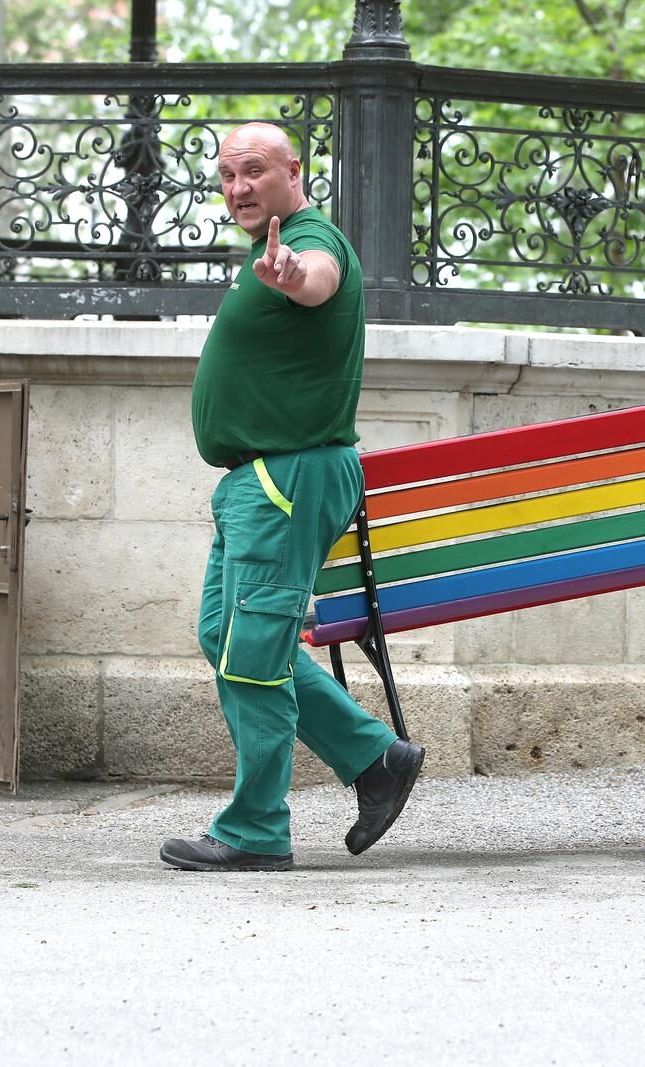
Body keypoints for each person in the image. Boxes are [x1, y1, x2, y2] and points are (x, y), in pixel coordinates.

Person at [161, 123, 424, 872]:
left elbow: (318, 278)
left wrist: (290, 274)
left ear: (294, 172)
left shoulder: (311, 241)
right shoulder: (268, 249)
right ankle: (374, 758)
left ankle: (255, 830)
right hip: (263, 481)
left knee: (253, 654)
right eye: (226, 176)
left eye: (253, 170)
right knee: (227, 635)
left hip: (287, 476)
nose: (237, 187)